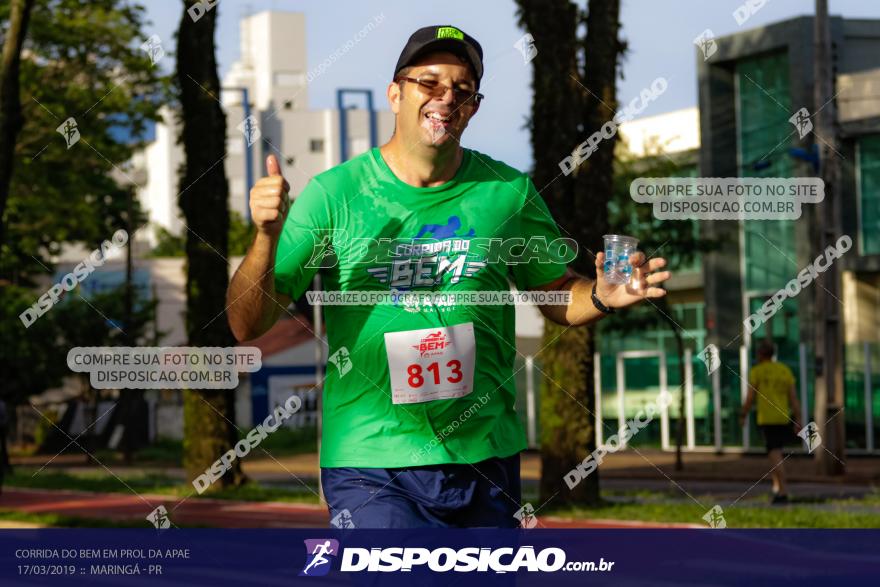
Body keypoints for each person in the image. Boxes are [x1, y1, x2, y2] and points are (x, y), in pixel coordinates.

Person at [227, 25, 671, 528]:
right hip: (373, 459)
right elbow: (247, 323)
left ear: (474, 107)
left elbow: (554, 296)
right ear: (395, 94)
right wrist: (265, 235)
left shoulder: (506, 191)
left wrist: (603, 296)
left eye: (462, 90)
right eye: (429, 83)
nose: (446, 98)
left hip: (484, 454)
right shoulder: (334, 195)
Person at [739, 341, 802, 504]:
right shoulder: (784, 370)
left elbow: (750, 397)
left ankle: (783, 491)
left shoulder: (757, 371)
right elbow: (794, 398)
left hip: (767, 419)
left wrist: (743, 414)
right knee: (776, 452)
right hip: (783, 418)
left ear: (760, 354)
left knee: (774, 455)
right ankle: (776, 487)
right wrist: (799, 419)